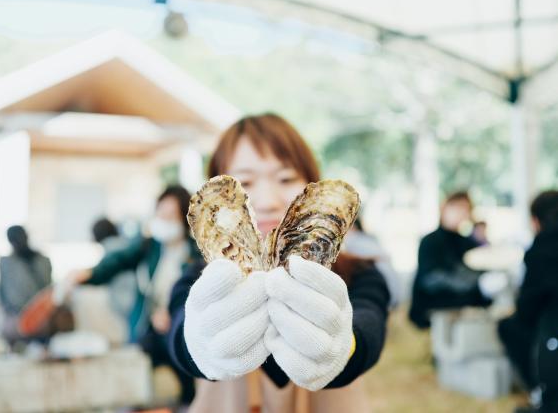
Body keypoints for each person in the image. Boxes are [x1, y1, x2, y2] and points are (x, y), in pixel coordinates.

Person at [167, 113, 390, 412]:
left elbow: (369, 328)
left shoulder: (360, 274)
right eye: (244, 181)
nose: (268, 199)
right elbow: (179, 335)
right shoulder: (198, 279)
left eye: (285, 178)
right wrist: (197, 347)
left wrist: (345, 346)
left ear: (310, 184)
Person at [70, 186, 200, 404]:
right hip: (147, 328)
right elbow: (117, 261)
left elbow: (196, 292)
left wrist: (173, 313)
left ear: (185, 219)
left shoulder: (195, 254)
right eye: (160, 214)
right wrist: (88, 275)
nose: (163, 220)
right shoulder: (149, 246)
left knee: (185, 377)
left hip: (181, 330)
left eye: (170, 216)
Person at [409, 191, 506, 329]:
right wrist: (475, 285)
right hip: (433, 305)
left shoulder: (466, 242)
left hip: (463, 302)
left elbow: (480, 265)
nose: (462, 213)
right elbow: (432, 279)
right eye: (458, 207)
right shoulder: (430, 241)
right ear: (445, 207)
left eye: (466, 209)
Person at [498, 190, 558, 413]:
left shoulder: (541, 249)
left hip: (552, 335)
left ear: (535, 221)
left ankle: (540, 391)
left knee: (511, 327)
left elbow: (527, 309)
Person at [0, 226, 71, 343]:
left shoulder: (7, 263)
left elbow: (5, 296)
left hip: (23, 320)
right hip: (42, 318)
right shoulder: (44, 260)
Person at [343, 218, 401, 308]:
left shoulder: (353, 241)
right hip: (391, 293)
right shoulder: (368, 240)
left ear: (352, 226)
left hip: (379, 290)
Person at [91, 217, 136, 333]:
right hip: (131, 299)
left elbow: (102, 273)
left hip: (125, 300)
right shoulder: (124, 243)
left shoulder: (111, 248)